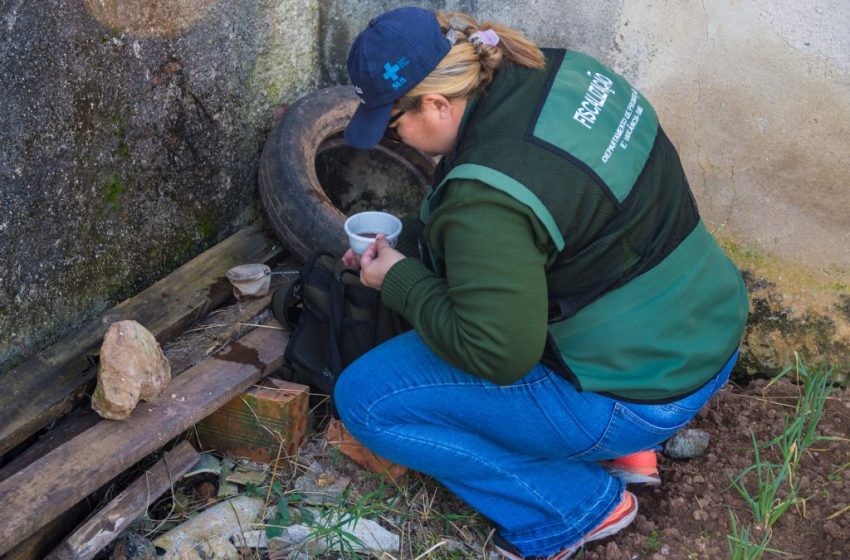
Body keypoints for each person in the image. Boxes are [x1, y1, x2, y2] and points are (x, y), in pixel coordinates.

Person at [333, 6, 749, 559]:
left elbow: (499, 353)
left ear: (435, 103)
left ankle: (570, 507)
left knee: (367, 400)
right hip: (706, 332)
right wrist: (412, 245)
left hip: (641, 396)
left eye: (393, 124)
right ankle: (622, 452)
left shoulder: (486, 196)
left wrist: (400, 280)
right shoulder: (558, 70)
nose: (398, 139)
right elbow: (554, 220)